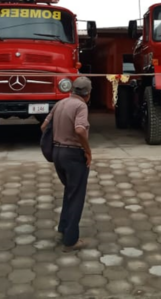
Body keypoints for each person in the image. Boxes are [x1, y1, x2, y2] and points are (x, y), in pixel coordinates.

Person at [41, 77, 93, 253]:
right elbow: (80, 129)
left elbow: (44, 127)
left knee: (70, 191)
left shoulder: (60, 103)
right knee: (76, 195)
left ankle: (63, 230)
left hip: (58, 154)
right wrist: (87, 151)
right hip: (73, 155)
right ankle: (71, 241)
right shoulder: (81, 106)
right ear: (88, 94)